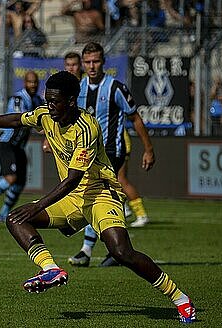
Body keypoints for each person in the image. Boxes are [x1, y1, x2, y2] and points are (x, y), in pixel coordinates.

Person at [0, 70, 196, 324]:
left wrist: (39, 204)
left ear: (71, 101)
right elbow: (18, 119)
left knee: (121, 251)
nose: (49, 106)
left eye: (55, 101)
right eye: (47, 100)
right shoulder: (46, 114)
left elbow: (73, 178)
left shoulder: (87, 127)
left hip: (100, 194)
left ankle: (179, 298)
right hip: (71, 199)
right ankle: (50, 269)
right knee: (15, 219)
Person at [68, 42, 154, 269]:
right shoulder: (79, 88)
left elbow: (135, 119)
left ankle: (88, 250)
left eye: (95, 61)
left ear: (103, 62)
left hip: (111, 152)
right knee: (98, 198)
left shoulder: (116, 88)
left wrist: (148, 149)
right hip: (87, 151)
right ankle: (114, 250)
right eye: (87, 62)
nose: (91, 66)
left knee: (95, 195)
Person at [0, 70, 43, 223]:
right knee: (10, 178)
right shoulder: (18, 99)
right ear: (25, 83)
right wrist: (41, 126)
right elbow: (21, 120)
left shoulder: (38, 100)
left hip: (19, 146)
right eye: (30, 82)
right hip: (7, 143)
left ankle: (4, 213)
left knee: (20, 182)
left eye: (35, 82)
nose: (33, 85)